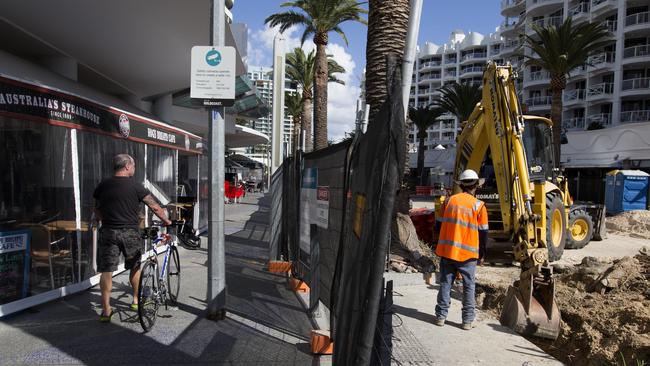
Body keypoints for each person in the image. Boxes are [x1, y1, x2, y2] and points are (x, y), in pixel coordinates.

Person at [93, 154, 171, 322]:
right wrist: (167, 220)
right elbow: (155, 207)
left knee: (107, 271)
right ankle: (136, 300)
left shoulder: (103, 186)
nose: (134, 169)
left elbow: (96, 209)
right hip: (130, 232)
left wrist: (104, 219)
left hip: (108, 231)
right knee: (134, 266)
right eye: (134, 166)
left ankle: (106, 311)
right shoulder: (136, 187)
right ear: (127, 166)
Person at [433, 169, 488, 330]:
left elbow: (438, 225)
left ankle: (440, 317)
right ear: (476, 186)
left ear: (461, 185)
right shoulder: (479, 206)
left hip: (448, 251)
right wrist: (482, 255)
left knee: (445, 283)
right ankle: (467, 321)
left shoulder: (449, 201)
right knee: (469, 286)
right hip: (468, 254)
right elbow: (483, 234)